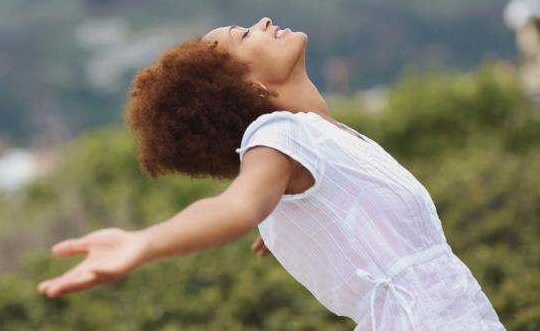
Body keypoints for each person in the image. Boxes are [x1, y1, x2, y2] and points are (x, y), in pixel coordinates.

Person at [37, 17, 507, 330]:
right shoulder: (281, 133)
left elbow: (287, 204)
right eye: (245, 35)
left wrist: (287, 221)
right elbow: (236, 206)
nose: (261, 22)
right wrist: (146, 242)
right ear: (250, 89)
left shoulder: (308, 148)